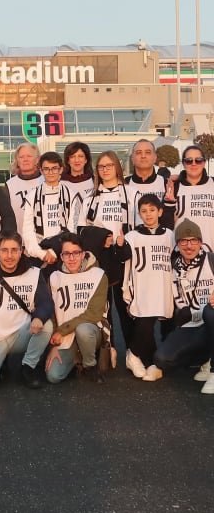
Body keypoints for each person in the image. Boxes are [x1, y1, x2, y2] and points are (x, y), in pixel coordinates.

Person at [0, 231, 54, 390]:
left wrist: (39, 317)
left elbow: (46, 303)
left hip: (22, 333)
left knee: (46, 325)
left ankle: (28, 367)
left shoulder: (34, 273)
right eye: (4, 250)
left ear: (21, 251)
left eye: (14, 250)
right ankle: (0, 363)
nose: (9, 255)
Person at [114, 194, 174, 381]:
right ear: (139, 214)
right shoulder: (133, 236)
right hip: (142, 285)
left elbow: (175, 259)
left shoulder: (169, 235)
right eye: (144, 211)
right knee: (145, 320)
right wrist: (120, 245)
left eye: (152, 210)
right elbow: (124, 258)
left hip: (162, 286)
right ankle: (134, 356)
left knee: (151, 321)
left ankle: (147, 359)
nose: (148, 215)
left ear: (160, 212)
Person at [154, 219, 214, 394]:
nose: (189, 246)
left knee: (210, 312)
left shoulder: (211, 260)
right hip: (191, 325)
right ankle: (207, 358)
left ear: (201, 242)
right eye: (184, 241)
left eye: (194, 240)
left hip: (211, 319)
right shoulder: (172, 267)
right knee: (162, 359)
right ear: (178, 244)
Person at [78, 150, 131, 347]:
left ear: (117, 166)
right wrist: (101, 238)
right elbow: (81, 230)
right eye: (101, 166)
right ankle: (108, 352)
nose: (105, 169)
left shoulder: (131, 193)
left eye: (109, 165)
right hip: (100, 257)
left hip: (124, 256)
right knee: (102, 308)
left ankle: (134, 353)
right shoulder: (90, 198)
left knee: (126, 306)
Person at [45, 233, 109, 384]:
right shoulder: (55, 277)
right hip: (66, 338)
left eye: (76, 253)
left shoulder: (98, 275)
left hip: (92, 331)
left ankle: (90, 365)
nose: (71, 258)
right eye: (67, 254)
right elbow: (51, 314)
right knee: (53, 376)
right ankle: (76, 360)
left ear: (83, 254)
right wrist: (53, 346)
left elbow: (93, 314)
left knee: (84, 330)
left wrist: (62, 330)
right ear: (61, 256)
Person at [21, 152, 76, 274]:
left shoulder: (71, 195)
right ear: (41, 170)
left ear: (61, 169)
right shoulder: (32, 196)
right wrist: (41, 254)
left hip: (64, 255)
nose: (50, 172)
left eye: (54, 168)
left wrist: (54, 251)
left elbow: (73, 228)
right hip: (38, 256)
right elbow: (27, 230)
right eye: (46, 169)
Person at [162, 144, 214, 250]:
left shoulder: (212, 183)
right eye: (189, 160)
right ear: (183, 164)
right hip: (181, 254)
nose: (193, 164)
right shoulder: (173, 187)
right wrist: (169, 205)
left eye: (198, 160)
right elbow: (165, 226)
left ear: (204, 162)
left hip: (211, 255)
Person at [125, 139, 166, 225]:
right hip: (131, 237)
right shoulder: (124, 184)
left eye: (147, 152)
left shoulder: (166, 184)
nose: (143, 156)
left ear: (155, 158)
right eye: (139, 152)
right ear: (132, 158)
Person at [5, 142, 43, 232]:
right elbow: (6, 215)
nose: (25, 159)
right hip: (19, 239)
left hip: (46, 240)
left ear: (37, 160)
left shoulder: (47, 180)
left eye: (29, 156)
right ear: (17, 161)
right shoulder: (10, 184)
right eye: (21, 157)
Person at [61, 141, 95, 206]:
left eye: (81, 156)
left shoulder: (95, 182)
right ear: (68, 160)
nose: (76, 160)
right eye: (72, 156)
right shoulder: (60, 183)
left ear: (86, 160)